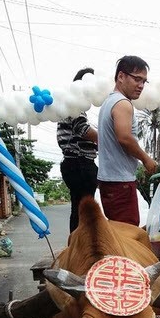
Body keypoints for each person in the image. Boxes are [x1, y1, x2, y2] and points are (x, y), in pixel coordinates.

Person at [97, 55, 158, 226]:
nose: (141, 85)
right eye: (137, 79)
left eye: (144, 81)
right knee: (128, 236)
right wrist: (146, 159)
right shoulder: (122, 103)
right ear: (121, 77)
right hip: (120, 183)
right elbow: (124, 137)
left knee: (118, 233)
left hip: (110, 181)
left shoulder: (109, 102)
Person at [57, 68, 98, 233]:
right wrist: (105, 140)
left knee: (78, 209)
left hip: (73, 163)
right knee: (85, 210)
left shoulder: (68, 105)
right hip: (80, 163)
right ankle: (82, 247)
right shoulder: (74, 105)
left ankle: (76, 246)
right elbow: (83, 129)